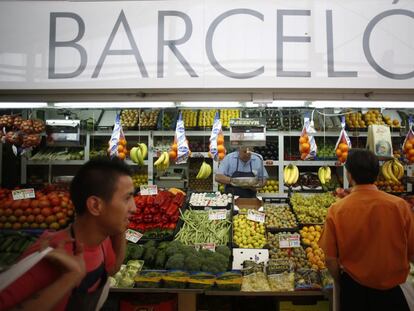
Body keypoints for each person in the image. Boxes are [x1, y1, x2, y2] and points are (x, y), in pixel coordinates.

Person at [0, 157, 136, 311]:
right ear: (95, 205)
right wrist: (69, 278)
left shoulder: (102, 244)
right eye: (127, 198)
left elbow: (114, 267)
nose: (135, 208)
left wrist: (119, 224)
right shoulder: (48, 255)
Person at [318, 148, 414, 311]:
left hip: (354, 291)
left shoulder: (337, 209)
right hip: (392, 292)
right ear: (377, 174)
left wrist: (342, 281)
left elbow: (330, 259)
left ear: (349, 175)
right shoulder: (400, 206)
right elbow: (411, 253)